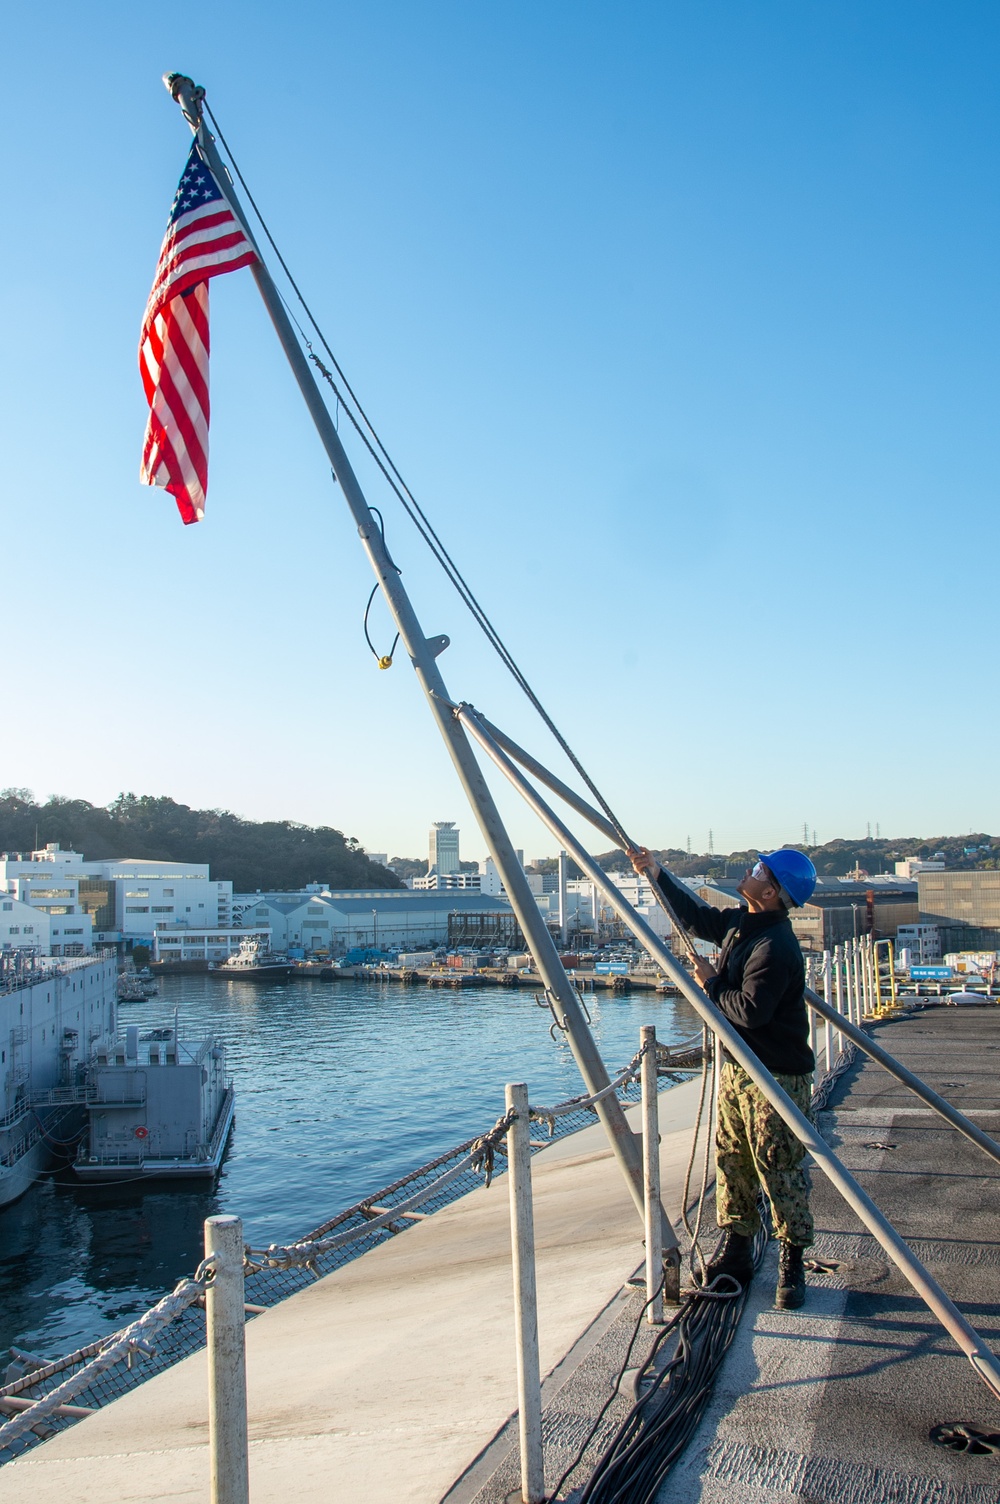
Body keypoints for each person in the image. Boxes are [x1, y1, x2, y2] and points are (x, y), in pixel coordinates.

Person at [629, 845, 817, 1310]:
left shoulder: (776, 946)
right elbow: (695, 917)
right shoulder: (742, 923)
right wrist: (657, 874)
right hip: (740, 1068)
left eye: (758, 870)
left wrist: (711, 982)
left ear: (771, 891)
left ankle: (792, 1260)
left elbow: (752, 1012)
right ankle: (736, 1251)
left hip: (775, 1075)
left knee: (778, 1164)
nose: (749, 873)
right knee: (731, 1156)